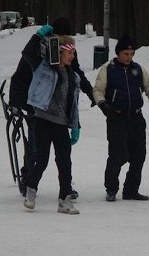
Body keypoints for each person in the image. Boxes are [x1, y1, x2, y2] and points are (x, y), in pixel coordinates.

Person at [9, 17, 95, 199]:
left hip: (58, 108)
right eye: (59, 35)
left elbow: (76, 73)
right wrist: (15, 103)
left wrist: (90, 92)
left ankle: (66, 187)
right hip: (36, 103)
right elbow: (20, 76)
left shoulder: (68, 50)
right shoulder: (40, 49)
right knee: (36, 146)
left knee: (63, 154)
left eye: (65, 36)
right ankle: (28, 177)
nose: (62, 39)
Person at [93, 35, 149, 202]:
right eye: (126, 53)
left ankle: (131, 190)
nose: (129, 57)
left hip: (136, 117)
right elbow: (98, 90)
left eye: (131, 53)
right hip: (116, 117)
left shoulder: (138, 69)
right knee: (118, 154)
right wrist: (103, 104)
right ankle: (111, 188)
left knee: (139, 154)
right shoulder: (107, 69)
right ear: (118, 53)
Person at [21, 28, 81, 214]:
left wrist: (75, 126)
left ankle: (64, 200)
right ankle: (31, 192)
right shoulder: (43, 67)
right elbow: (27, 53)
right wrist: (38, 35)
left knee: (65, 162)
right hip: (43, 120)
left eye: (73, 53)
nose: (72, 56)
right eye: (69, 53)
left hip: (61, 124)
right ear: (59, 52)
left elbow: (74, 104)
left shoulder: (73, 76)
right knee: (42, 159)